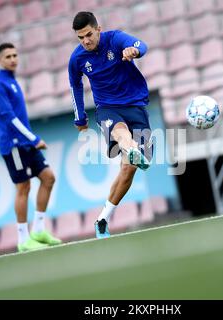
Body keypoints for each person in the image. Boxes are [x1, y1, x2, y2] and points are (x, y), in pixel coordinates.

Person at [68, 12, 153, 239]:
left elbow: (140, 45)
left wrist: (134, 51)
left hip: (135, 105)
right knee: (121, 133)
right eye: (80, 37)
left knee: (128, 170)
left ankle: (103, 218)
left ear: (98, 29)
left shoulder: (115, 39)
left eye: (88, 34)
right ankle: (132, 148)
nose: (86, 41)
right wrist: (80, 117)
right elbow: (75, 86)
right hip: (107, 108)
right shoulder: (77, 60)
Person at [0, 43, 61, 252]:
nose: (13, 59)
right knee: (23, 187)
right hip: (14, 145)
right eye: (8, 56)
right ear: (0, 60)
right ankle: (23, 239)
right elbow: (8, 117)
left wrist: (30, 139)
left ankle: (38, 229)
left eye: (15, 55)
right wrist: (34, 138)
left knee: (48, 178)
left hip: (26, 143)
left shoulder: (12, 81)